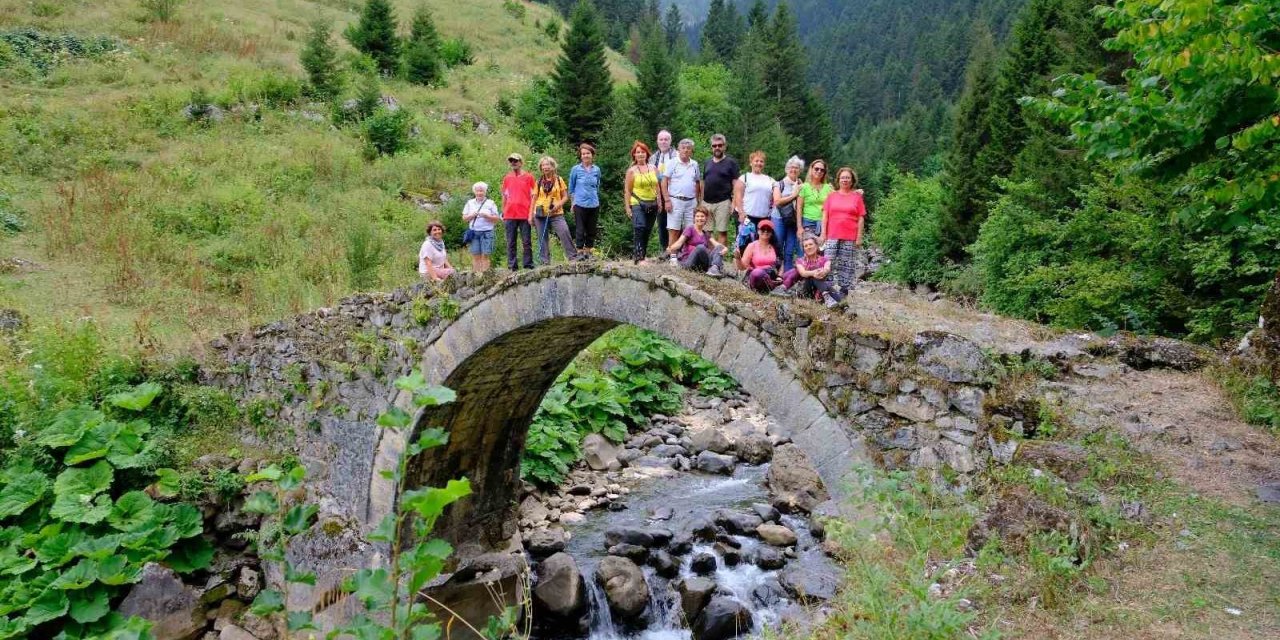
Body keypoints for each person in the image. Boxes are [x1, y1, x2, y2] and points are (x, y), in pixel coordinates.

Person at [821, 166, 867, 294]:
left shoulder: (857, 197)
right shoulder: (831, 196)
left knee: (846, 264)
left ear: (852, 180)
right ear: (838, 180)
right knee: (828, 261)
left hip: (850, 235)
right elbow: (825, 215)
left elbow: (861, 218)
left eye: (847, 178)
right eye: (842, 178)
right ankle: (827, 289)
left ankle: (844, 290)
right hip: (832, 234)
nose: (845, 180)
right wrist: (823, 233)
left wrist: (859, 237)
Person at [532, 155, 577, 264]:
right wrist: (530, 215)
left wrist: (557, 205)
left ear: (552, 166)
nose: (545, 167)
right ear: (541, 168)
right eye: (543, 165)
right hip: (540, 213)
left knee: (564, 232)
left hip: (556, 213)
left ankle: (573, 258)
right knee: (542, 238)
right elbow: (534, 199)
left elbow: (565, 196)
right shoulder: (538, 182)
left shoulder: (558, 179)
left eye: (547, 164)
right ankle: (545, 262)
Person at [660, 138, 702, 248]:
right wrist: (667, 200)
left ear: (692, 150)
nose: (686, 150)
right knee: (674, 229)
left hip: (691, 202)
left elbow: (697, 182)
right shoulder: (672, 162)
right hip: (675, 200)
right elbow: (664, 181)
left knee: (690, 230)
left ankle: (687, 256)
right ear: (679, 149)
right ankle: (672, 256)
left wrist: (697, 200)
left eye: (688, 148)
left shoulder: (694, 164)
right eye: (683, 148)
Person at [779, 234, 842, 308]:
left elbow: (827, 268)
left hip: (821, 287)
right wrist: (814, 272)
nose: (808, 247)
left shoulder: (825, 259)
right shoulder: (800, 261)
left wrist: (823, 271)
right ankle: (826, 296)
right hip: (807, 289)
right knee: (812, 275)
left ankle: (828, 297)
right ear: (804, 249)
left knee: (839, 300)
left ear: (816, 245)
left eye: (810, 244)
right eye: (806, 246)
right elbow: (803, 273)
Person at [623, 141, 661, 264]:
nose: (640, 154)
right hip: (637, 202)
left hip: (652, 203)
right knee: (639, 228)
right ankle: (639, 257)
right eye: (638, 152)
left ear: (647, 153)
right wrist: (628, 207)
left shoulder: (654, 168)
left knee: (647, 230)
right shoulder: (631, 171)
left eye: (642, 152)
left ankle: (642, 255)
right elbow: (627, 191)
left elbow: (657, 187)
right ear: (634, 155)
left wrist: (660, 201)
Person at [734, 150, 777, 255]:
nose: (759, 163)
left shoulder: (770, 180)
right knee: (744, 241)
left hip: (763, 217)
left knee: (761, 243)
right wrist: (741, 212)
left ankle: (756, 268)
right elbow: (738, 196)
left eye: (761, 161)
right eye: (756, 161)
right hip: (747, 216)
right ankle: (741, 268)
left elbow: (775, 197)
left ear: (764, 164)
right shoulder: (744, 177)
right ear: (751, 162)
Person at [702, 133, 740, 247]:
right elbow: (703, 183)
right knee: (707, 232)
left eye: (720, 145)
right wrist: (700, 201)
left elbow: (736, 184)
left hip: (723, 202)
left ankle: (718, 259)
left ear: (724, 146)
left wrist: (734, 202)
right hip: (706, 202)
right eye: (714, 145)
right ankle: (709, 258)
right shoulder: (707, 162)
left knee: (722, 231)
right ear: (711, 147)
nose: (717, 148)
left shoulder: (731, 162)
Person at [666, 205, 727, 276]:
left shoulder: (705, 233)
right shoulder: (690, 229)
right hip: (689, 262)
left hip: (701, 264)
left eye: (702, 216)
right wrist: (671, 248)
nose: (700, 218)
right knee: (700, 247)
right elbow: (679, 242)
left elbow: (716, 244)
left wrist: (725, 248)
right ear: (694, 218)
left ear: (706, 218)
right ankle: (715, 267)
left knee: (719, 247)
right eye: (697, 216)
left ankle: (714, 268)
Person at [501, 153, 536, 271]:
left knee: (526, 241)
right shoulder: (507, 178)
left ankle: (528, 265)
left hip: (525, 213)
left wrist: (532, 212)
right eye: (511, 161)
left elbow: (534, 196)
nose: (513, 163)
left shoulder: (529, 177)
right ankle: (512, 266)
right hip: (509, 214)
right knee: (510, 241)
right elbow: (504, 196)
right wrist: (503, 211)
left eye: (515, 161)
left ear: (521, 162)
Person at [568, 142, 602, 259]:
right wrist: (573, 202)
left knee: (591, 229)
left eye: (588, 153)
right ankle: (579, 253)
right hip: (579, 203)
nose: (585, 156)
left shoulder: (596, 170)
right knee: (580, 229)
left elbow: (597, 186)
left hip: (593, 203)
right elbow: (571, 188)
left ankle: (588, 252)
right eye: (583, 154)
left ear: (592, 155)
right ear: (580, 156)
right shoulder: (575, 169)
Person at [771, 156, 804, 273]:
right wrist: (793, 195)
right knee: (778, 245)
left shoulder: (801, 185)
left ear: (800, 170)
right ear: (786, 169)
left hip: (793, 221)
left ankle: (788, 276)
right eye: (791, 167)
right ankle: (774, 273)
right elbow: (777, 201)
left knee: (790, 249)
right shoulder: (779, 184)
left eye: (796, 168)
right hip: (778, 219)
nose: (793, 170)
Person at [462, 181, 500, 272]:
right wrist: (472, 215)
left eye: (481, 191)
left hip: (487, 232)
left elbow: (496, 219)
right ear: (474, 192)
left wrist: (487, 216)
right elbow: (464, 218)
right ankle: (476, 276)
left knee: (486, 255)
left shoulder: (491, 203)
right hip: (474, 232)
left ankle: (484, 276)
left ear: (485, 192)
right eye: (477, 191)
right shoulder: (469, 203)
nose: (479, 193)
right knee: (476, 255)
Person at [738, 219, 781, 293]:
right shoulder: (752, 246)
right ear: (758, 231)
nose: (766, 231)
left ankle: (772, 285)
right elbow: (743, 267)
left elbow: (781, 263)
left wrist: (780, 276)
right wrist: (738, 258)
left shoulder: (775, 247)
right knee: (757, 273)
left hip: (770, 275)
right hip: (755, 276)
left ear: (771, 233)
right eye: (763, 229)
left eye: (768, 230)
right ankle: (771, 285)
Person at [650, 129, 679, 235]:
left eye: (666, 139)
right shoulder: (653, 158)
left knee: (675, 223)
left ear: (670, 141)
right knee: (662, 223)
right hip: (659, 195)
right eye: (661, 139)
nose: (663, 142)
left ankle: (676, 249)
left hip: (674, 194)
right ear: (657, 141)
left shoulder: (677, 156)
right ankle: (664, 249)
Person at [795, 158, 832, 241]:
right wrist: (799, 227)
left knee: (821, 249)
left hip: (823, 223)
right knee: (808, 248)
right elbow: (799, 208)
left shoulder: (828, 188)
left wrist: (855, 192)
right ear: (811, 170)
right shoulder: (804, 187)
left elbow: (841, 196)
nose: (819, 171)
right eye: (816, 169)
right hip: (807, 222)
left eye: (822, 170)